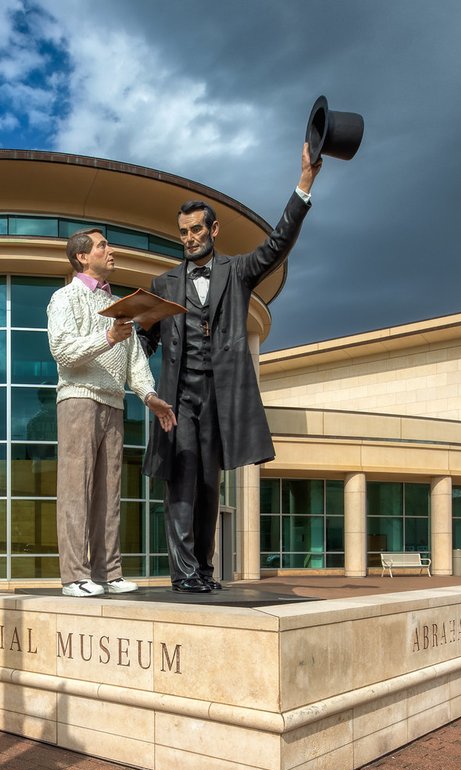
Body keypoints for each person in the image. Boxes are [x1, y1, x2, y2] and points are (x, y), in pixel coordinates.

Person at [140, 142, 323, 593]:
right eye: (183, 232)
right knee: (180, 485)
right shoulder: (163, 284)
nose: (189, 238)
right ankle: (183, 574)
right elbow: (144, 342)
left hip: (219, 396)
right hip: (178, 397)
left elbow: (278, 244)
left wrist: (304, 183)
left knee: (207, 486)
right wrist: (128, 344)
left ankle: (203, 569)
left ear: (213, 229)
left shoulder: (237, 271)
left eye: (196, 229)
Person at [48, 229, 176, 597]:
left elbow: (134, 358)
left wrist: (149, 394)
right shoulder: (65, 298)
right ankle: (74, 576)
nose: (111, 250)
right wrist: (107, 338)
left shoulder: (119, 305)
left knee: (109, 491)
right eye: (103, 245)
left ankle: (108, 572)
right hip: (78, 399)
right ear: (82, 257)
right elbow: (63, 350)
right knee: (76, 489)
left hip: (114, 403)